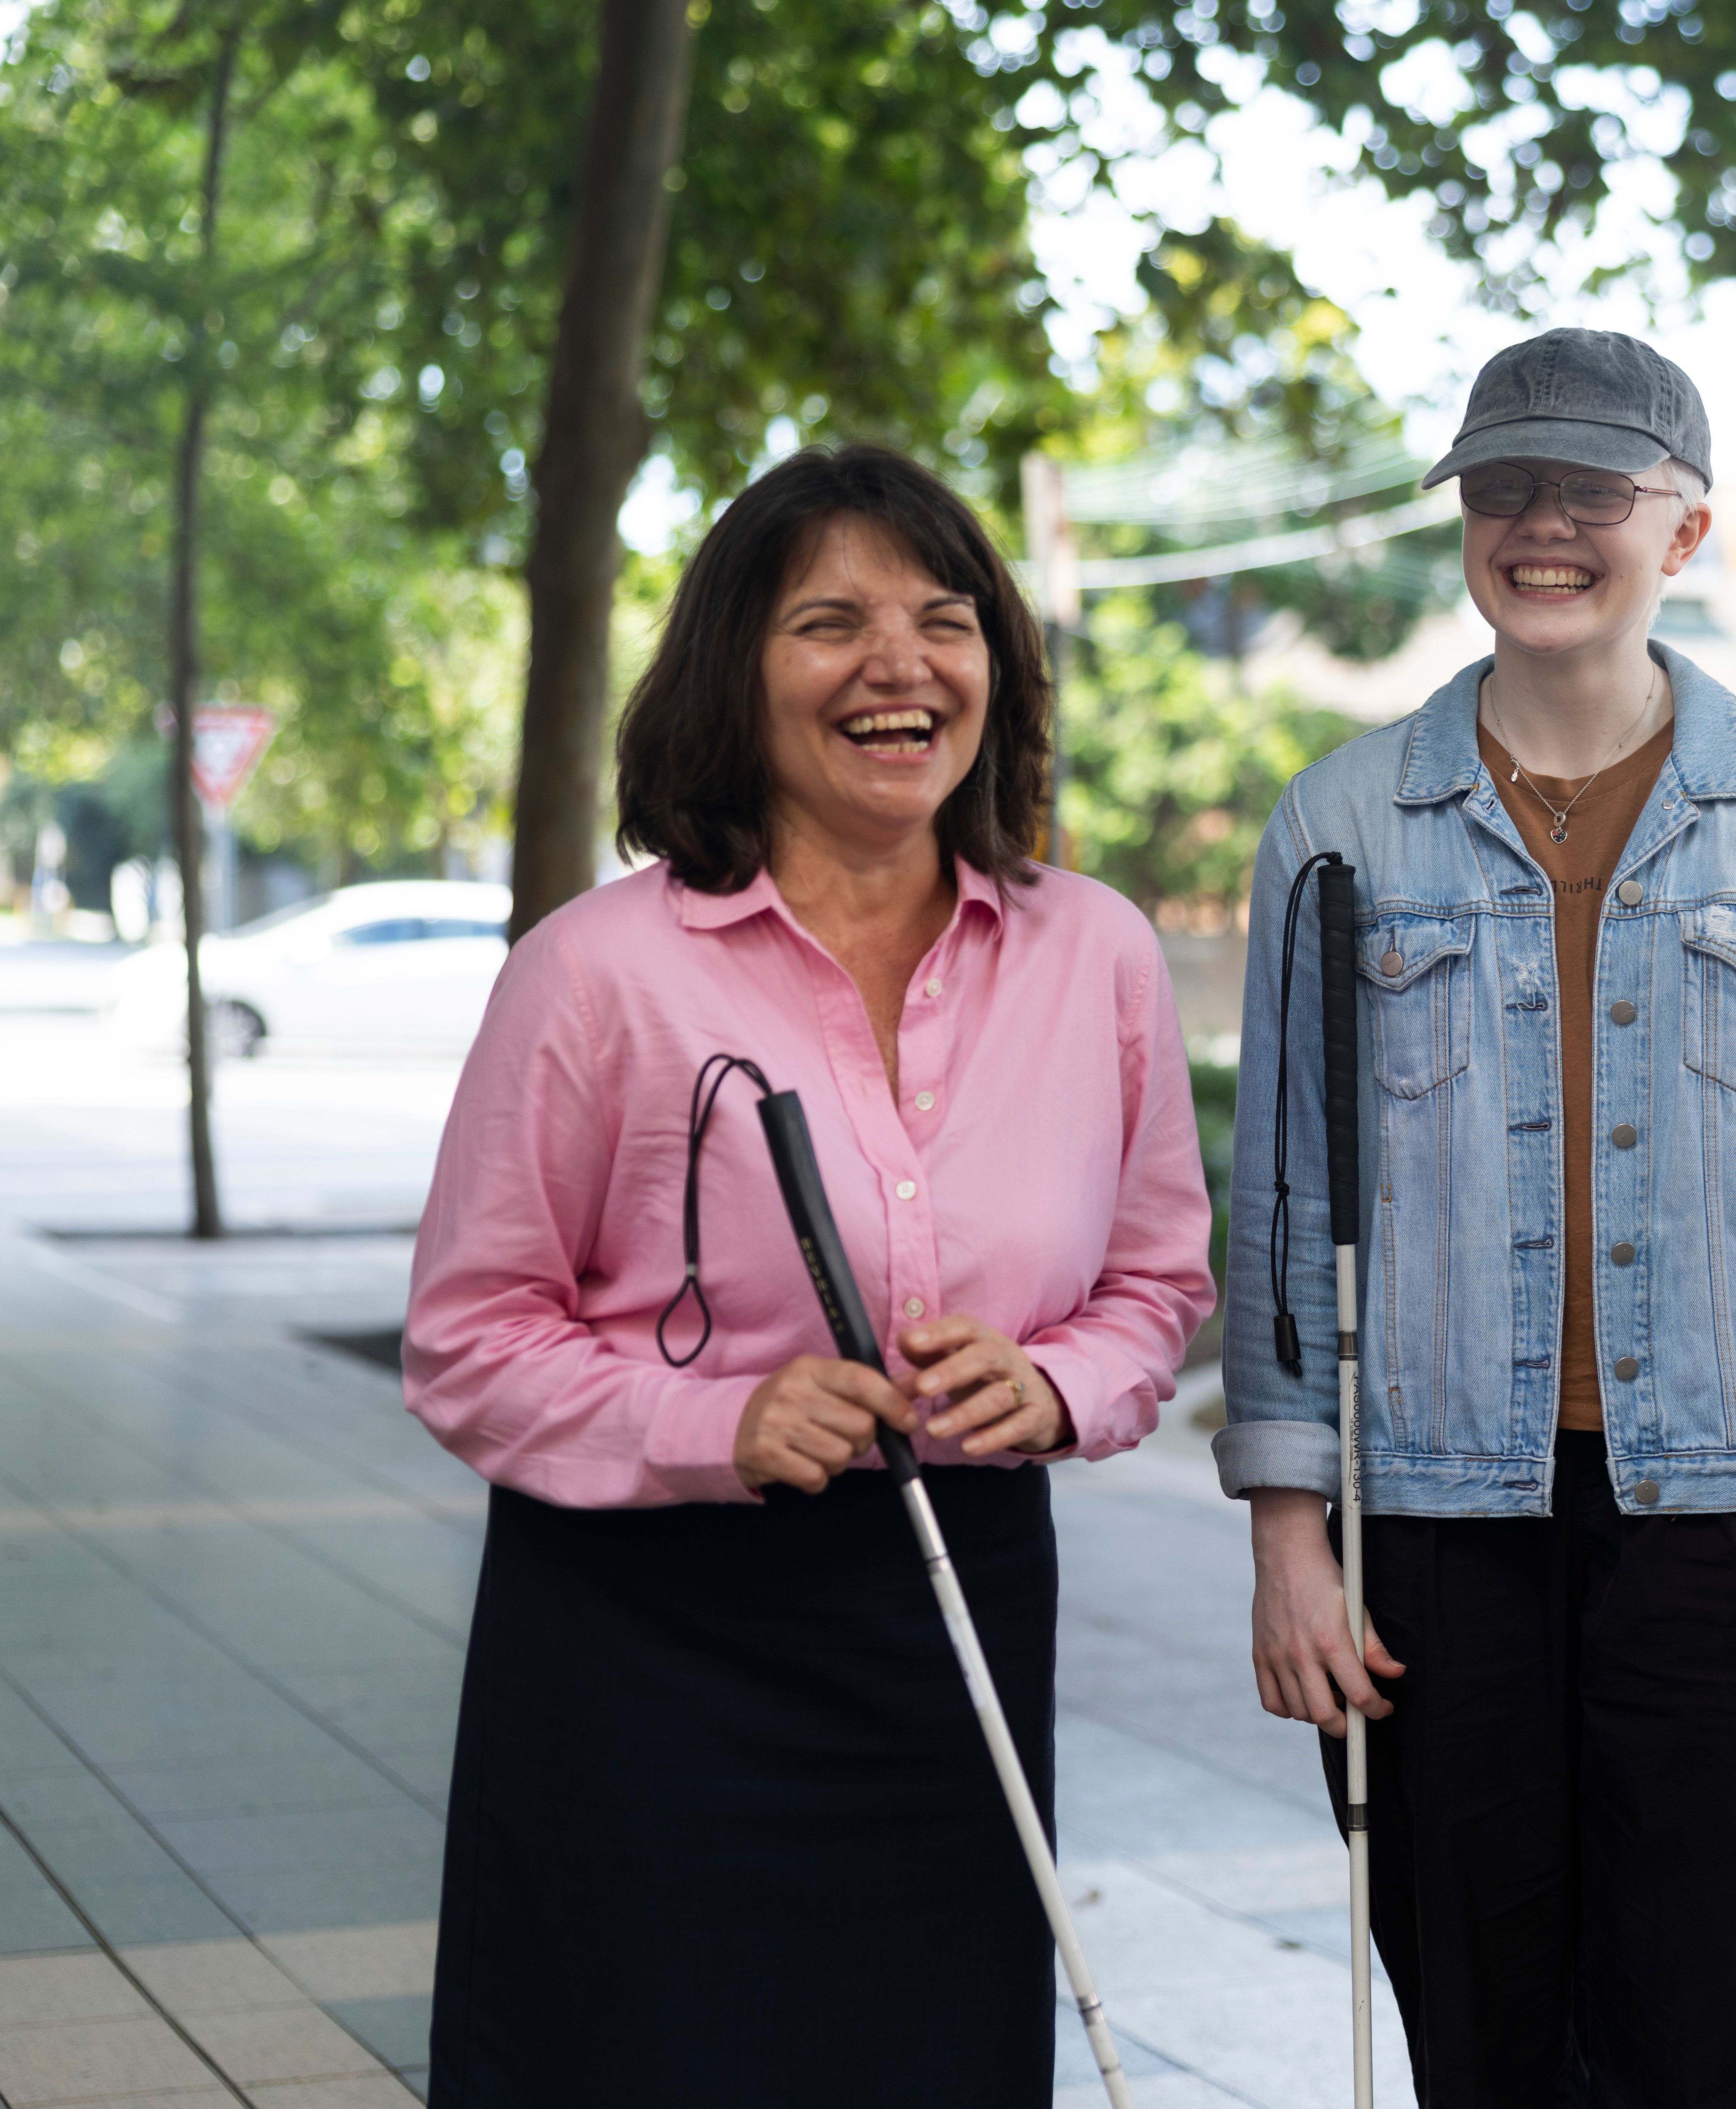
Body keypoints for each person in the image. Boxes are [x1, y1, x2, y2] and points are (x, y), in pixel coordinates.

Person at [404, 445, 1212, 2106]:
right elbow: (469, 1340)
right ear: (733, 675)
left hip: (954, 1610)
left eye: (943, 619)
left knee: (930, 2058)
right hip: (645, 1638)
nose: (899, 665)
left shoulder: (1098, 954)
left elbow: (1154, 1283)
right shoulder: (594, 974)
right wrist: (714, 1418)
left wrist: (1056, 1382)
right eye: (828, 623)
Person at [1217, 328, 1736, 2107]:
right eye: (1501, 490)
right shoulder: (1337, 827)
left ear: (1683, 531)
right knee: (1484, 2035)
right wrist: (1285, 1538)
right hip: (1437, 1530)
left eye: (1590, 494)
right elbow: (1281, 1203)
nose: (1540, 527)